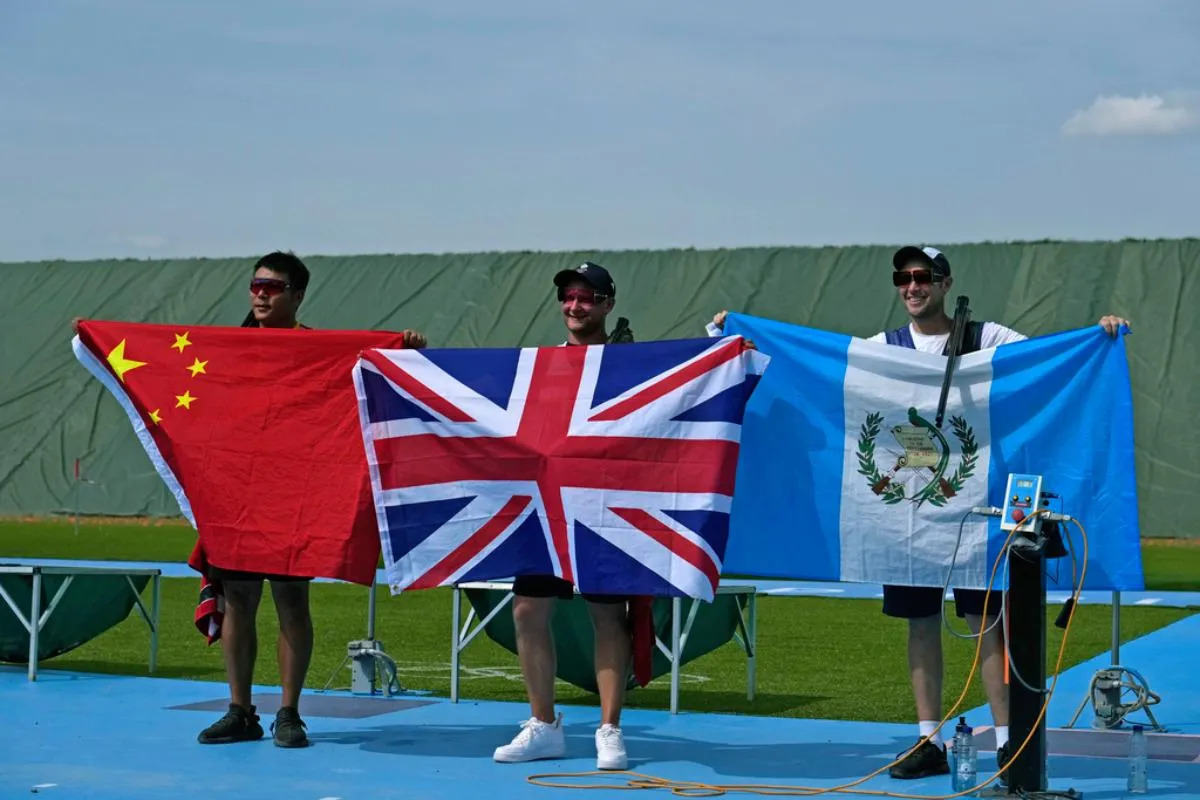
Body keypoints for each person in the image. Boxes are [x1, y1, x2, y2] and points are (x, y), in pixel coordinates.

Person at [707, 245, 1129, 782]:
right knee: (921, 625)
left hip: (975, 512)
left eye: (923, 276)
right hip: (904, 514)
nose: (912, 286)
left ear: (945, 283)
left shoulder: (987, 338)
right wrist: (739, 335)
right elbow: (813, 370)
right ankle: (929, 739)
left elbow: (1049, 363)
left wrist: (1098, 337)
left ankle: (1009, 742)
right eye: (903, 277)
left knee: (986, 627)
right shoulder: (882, 348)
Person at [189, 251, 425, 748]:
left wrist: (402, 352)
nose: (260, 294)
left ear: (297, 296)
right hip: (236, 493)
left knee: (291, 602)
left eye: (272, 287)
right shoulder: (227, 350)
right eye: (256, 285)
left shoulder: (318, 352)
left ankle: (289, 713)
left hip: (291, 495)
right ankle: (240, 710)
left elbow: (368, 376)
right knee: (239, 602)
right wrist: (96, 341)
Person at [492, 261, 634, 771]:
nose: (575, 306)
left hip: (604, 504)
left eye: (587, 297)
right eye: (568, 296)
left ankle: (610, 729)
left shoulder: (631, 363)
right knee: (527, 610)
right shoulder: (542, 364)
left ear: (608, 304)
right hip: (547, 504)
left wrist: (726, 347)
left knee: (607, 616)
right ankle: (544, 725)